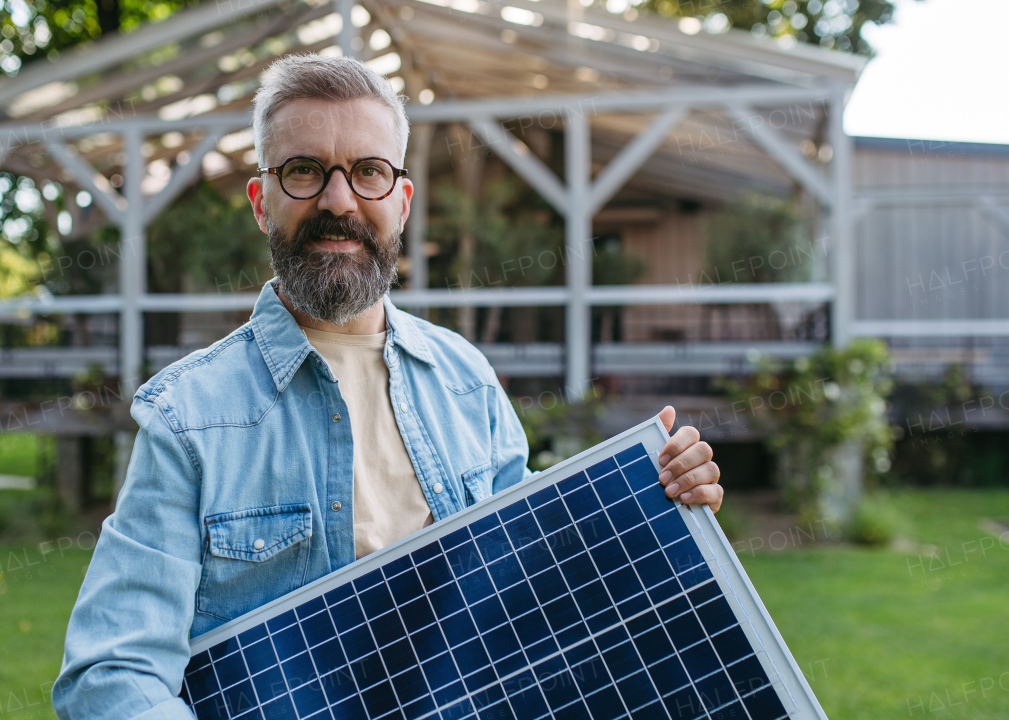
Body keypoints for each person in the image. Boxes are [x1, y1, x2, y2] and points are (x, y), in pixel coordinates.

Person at [52, 54, 723, 720]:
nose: (338, 201)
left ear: (400, 202)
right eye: (304, 171)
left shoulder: (467, 381)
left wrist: (659, 496)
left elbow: (538, 595)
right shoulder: (187, 417)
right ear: (263, 202)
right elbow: (111, 674)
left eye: (368, 172)